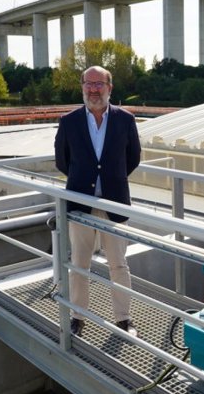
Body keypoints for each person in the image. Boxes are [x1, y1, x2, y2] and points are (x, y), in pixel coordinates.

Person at [54, 66, 141, 338]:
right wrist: (85, 180)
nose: (93, 89)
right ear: (82, 87)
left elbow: (133, 158)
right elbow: (62, 160)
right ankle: (78, 317)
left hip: (114, 203)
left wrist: (111, 180)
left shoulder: (125, 120)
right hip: (81, 202)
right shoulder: (69, 121)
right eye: (88, 84)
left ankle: (123, 319)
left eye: (99, 84)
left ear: (109, 88)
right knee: (79, 264)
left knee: (118, 264)